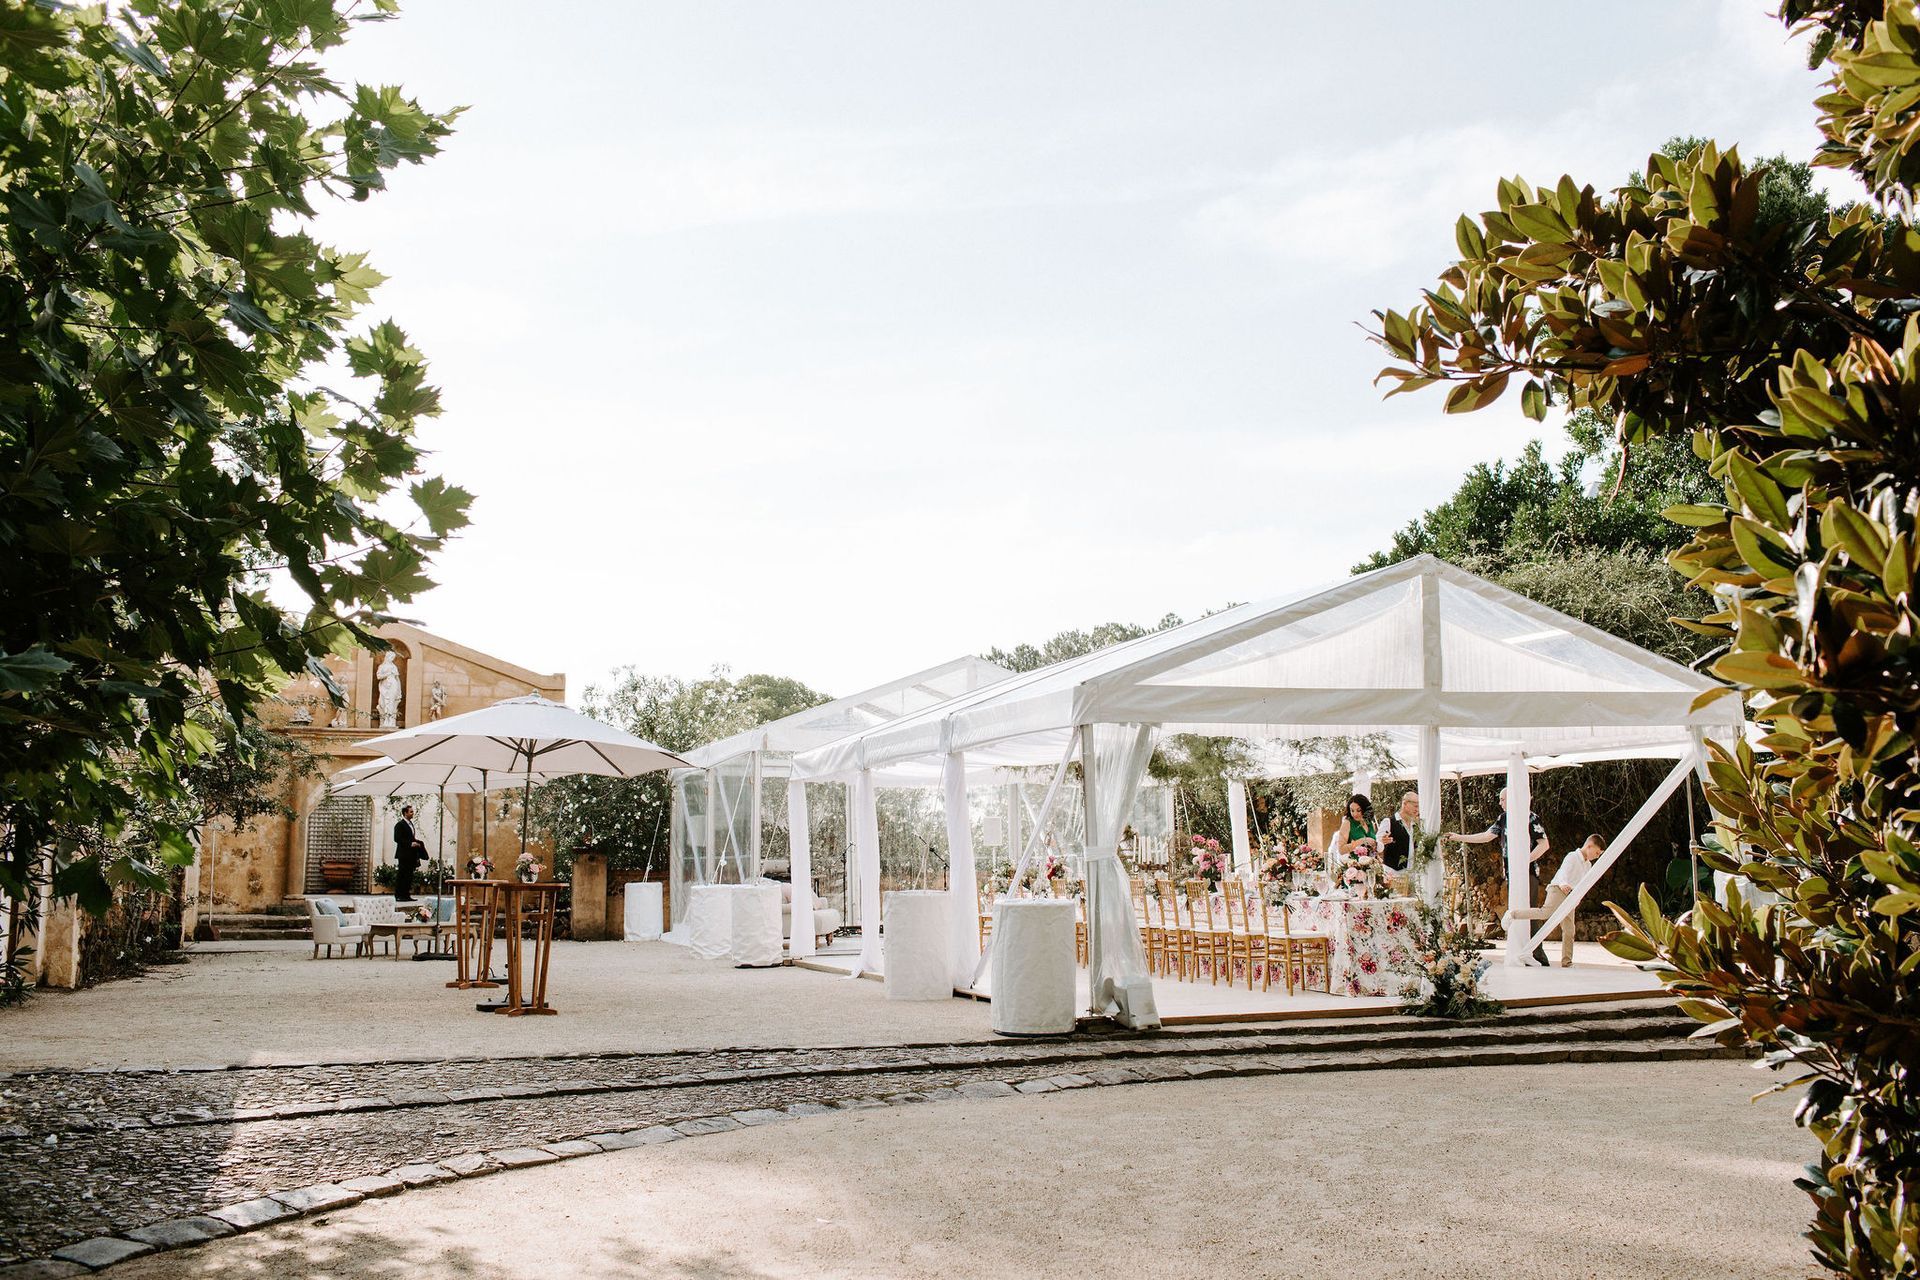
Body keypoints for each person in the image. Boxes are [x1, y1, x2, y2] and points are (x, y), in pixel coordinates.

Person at [1444, 786, 1551, 962]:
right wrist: (1458, 837)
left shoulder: (1530, 817)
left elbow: (1544, 844)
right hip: (1511, 875)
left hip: (1528, 873)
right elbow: (1486, 836)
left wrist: (1524, 861)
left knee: (1529, 913)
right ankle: (1521, 951)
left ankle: (1538, 954)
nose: (1500, 803)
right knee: (1515, 913)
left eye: (1502, 799)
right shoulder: (1503, 818)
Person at [1541, 834, 1607, 967]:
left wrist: (1577, 899)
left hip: (1570, 897)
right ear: (1589, 846)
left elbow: (1582, 885)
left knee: (1569, 930)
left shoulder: (1588, 865)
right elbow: (1563, 871)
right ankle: (1513, 914)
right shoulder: (1572, 856)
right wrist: (1563, 883)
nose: (1597, 856)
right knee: (1545, 914)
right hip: (1558, 889)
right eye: (1597, 853)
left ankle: (1567, 961)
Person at [392, 804, 427, 902]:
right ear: (405, 813)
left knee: (409, 875)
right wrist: (410, 844)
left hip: (411, 854)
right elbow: (397, 838)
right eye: (411, 812)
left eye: (412, 811)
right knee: (402, 875)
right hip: (403, 854)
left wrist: (417, 843)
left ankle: (406, 895)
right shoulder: (400, 825)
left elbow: (410, 837)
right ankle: (399, 895)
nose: (412, 813)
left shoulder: (410, 824)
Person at [1379, 791, 1419, 872]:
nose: (1417, 809)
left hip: (1412, 874)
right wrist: (1381, 841)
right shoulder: (1388, 822)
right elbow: (1376, 844)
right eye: (1415, 806)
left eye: (1419, 807)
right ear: (1405, 803)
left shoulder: (1415, 826)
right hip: (1392, 873)